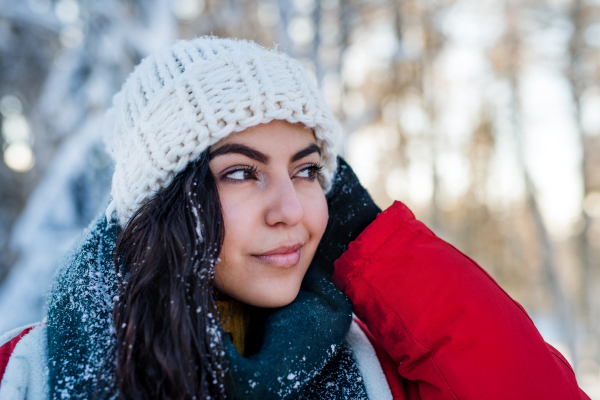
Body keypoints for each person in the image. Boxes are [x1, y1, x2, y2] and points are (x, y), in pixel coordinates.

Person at [0, 36, 590, 400]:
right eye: (240, 172)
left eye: (306, 171)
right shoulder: (26, 373)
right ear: (163, 202)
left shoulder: (381, 367)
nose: (293, 212)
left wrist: (371, 241)